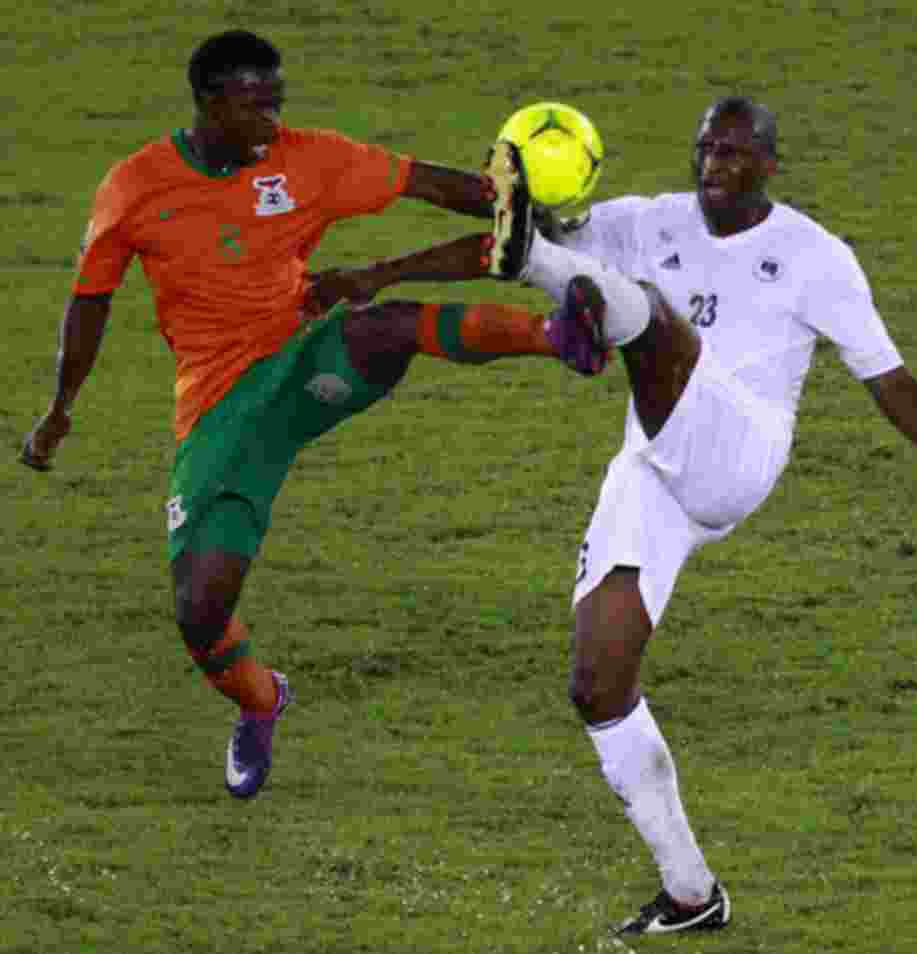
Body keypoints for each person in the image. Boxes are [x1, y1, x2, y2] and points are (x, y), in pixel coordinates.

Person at [19, 29, 608, 801]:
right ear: (208, 104)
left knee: (386, 325)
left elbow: (431, 184)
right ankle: (263, 701)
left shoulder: (310, 159)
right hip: (221, 407)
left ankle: (560, 337)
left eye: (277, 102)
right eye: (253, 105)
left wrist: (531, 207)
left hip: (303, 355)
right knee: (200, 611)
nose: (272, 121)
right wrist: (59, 413)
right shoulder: (135, 188)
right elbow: (88, 303)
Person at [478, 96, 917, 934]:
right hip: (652, 469)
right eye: (703, 151)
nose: (713, 168)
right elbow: (492, 223)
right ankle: (692, 894)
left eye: (732, 153)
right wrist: (375, 276)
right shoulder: (653, 221)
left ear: (769, 161)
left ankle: (543, 274)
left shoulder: (814, 256)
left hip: (740, 452)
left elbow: (889, 379)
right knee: (597, 683)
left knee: (649, 320)